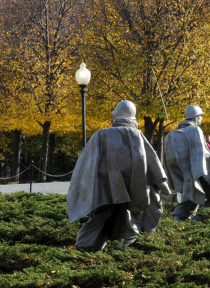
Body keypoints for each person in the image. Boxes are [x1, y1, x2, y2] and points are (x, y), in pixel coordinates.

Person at [67, 100, 174, 250]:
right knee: (129, 220)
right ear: (133, 118)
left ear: (115, 117)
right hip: (133, 189)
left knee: (98, 219)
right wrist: (164, 187)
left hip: (104, 190)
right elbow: (152, 164)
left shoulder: (100, 135)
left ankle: (85, 247)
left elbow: (87, 165)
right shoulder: (136, 135)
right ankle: (122, 251)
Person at [164, 104, 210, 222]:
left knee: (191, 190)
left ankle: (179, 217)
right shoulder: (195, 130)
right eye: (200, 116)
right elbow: (202, 154)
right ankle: (208, 213)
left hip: (182, 173)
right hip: (196, 170)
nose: (201, 119)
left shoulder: (172, 135)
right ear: (194, 118)